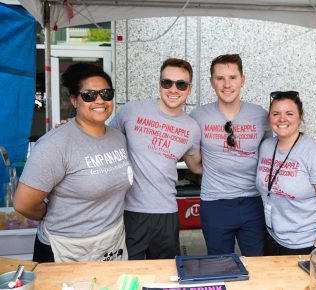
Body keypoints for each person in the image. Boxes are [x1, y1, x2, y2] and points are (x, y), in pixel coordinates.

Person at [13, 63, 133, 263]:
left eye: (106, 93)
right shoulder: (55, 144)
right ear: (74, 100)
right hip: (66, 247)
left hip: (112, 243)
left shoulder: (118, 137)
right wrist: (48, 212)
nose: (99, 100)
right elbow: (23, 204)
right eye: (89, 95)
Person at [110, 58, 201, 259]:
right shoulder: (131, 111)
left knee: (164, 273)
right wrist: (72, 127)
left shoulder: (191, 127)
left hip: (166, 212)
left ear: (189, 89)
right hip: (129, 211)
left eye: (181, 84)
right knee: (128, 274)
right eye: (167, 83)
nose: (173, 89)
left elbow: (196, 167)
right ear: (159, 84)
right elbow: (102, 137)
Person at [190, 54, 270, 256]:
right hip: (215, 203)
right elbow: (194, 162)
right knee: (219, 264)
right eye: (220, 78)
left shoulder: (260, 115)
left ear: (243, 80)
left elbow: (269, 154)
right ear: (211, 82)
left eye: (233, 77)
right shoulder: (198, 116)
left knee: (258, 264)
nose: (227, 84)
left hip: (253, 202)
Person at [256, 91, 316, 255]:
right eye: (276, 114)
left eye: (289, 113)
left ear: (300, 117)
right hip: (273, 236)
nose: (282, 119)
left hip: (307, 243)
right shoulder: (266, 146)